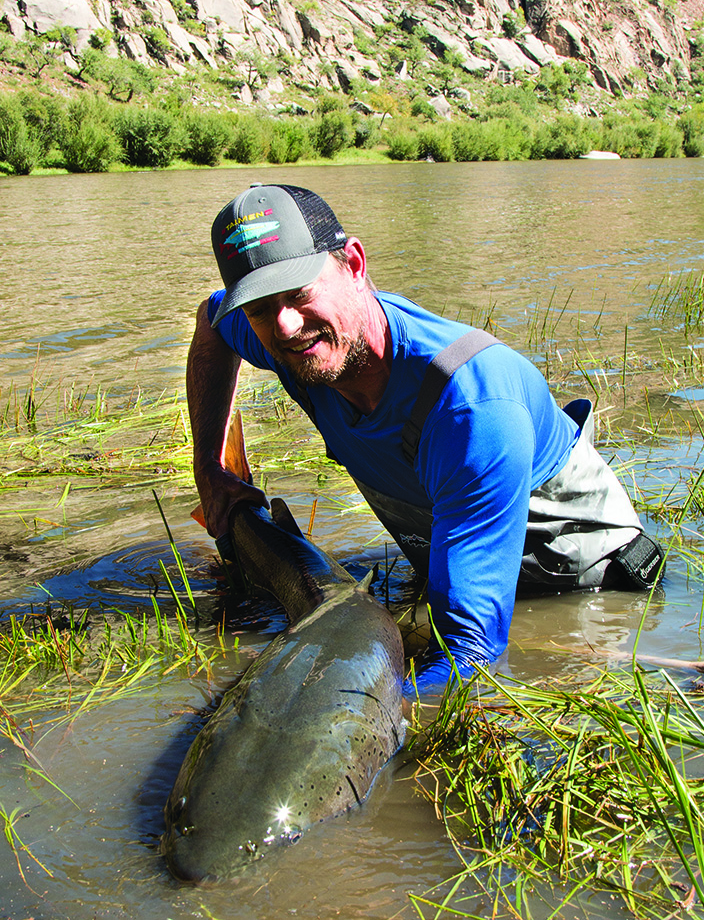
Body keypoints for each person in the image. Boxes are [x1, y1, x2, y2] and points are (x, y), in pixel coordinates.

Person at [186, 183, 663, 697]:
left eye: (300, 293)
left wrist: (347, 712)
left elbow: (472, 654)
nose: (285, 326)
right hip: (459, 560)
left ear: (354, 264)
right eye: (259, 307)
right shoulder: (291, 340)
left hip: (587, 596)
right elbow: (210, 325)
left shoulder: (472, 410)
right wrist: (209, 469)